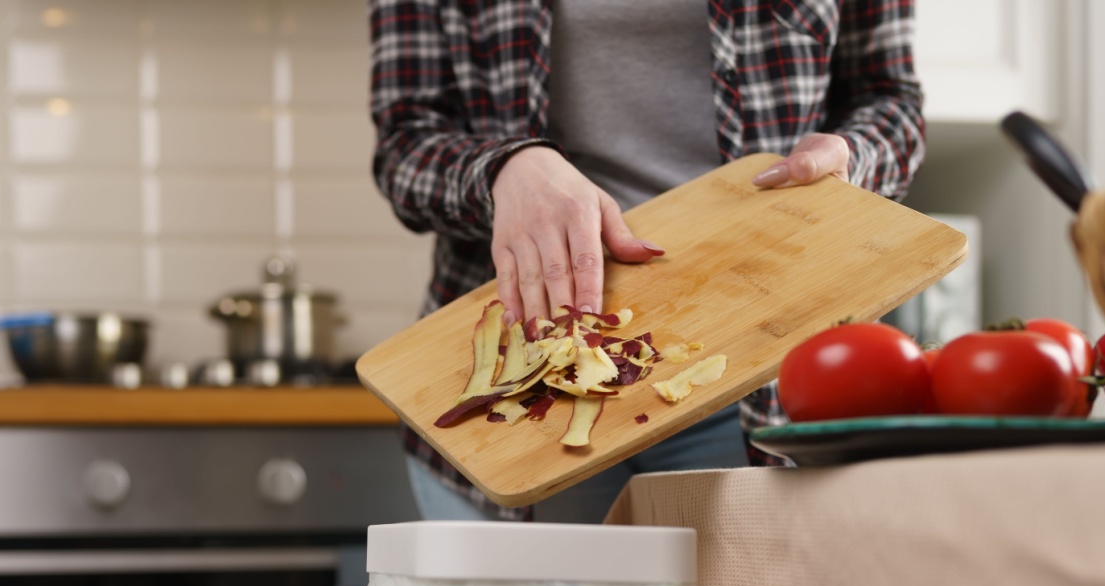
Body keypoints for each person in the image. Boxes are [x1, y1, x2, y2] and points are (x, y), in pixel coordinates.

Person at [370, 0, 927, 522]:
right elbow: (404, 142)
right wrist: (500, 170)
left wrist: (851, 162)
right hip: (520, 378)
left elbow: (891, 101)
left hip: (766, 373)